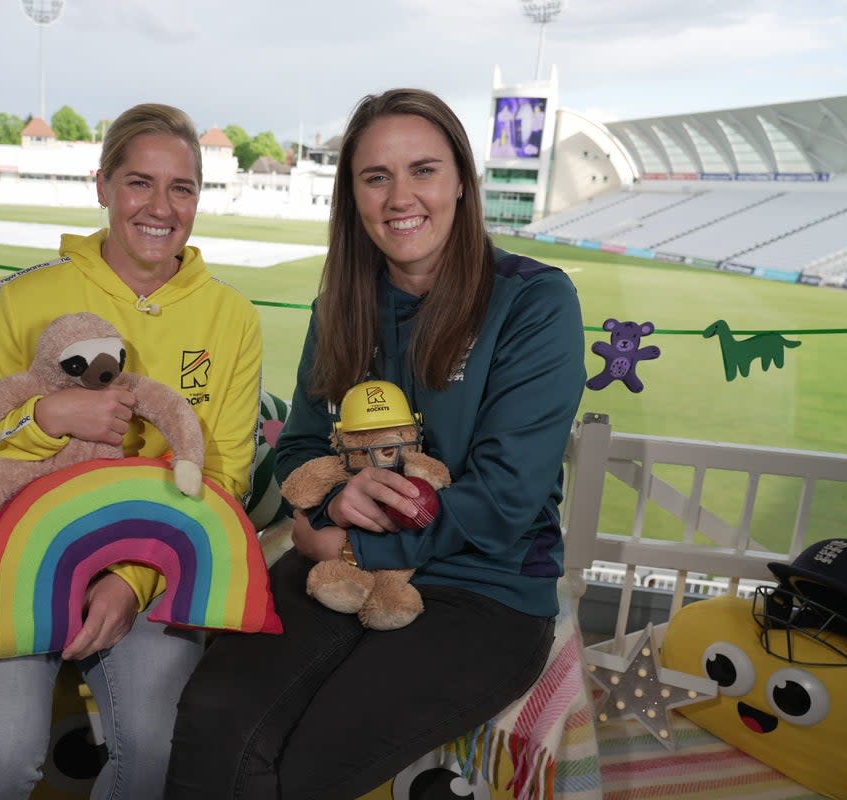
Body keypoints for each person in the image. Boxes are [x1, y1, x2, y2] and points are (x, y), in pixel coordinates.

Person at [165, 88, 586, 799]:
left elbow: (506, 500)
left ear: (460, 181)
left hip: (482, 593)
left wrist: (352, 543)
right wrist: (335, 493)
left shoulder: (535, 302)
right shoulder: (341, 303)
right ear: (352, 194)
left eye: (422, 170)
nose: (400, 197)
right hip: (339, 573)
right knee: (214, 723)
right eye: (375, 176)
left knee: (307, 766)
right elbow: (300, 445)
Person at [0, 103, 263, 800]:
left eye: (182, 188)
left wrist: (134, 579)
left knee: (158, 747)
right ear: (103, 186)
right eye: (140, 182)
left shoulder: (231, 317)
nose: (161, 207)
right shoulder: (26, 297)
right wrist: (48, 416)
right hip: (7, 539)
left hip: (152, 555)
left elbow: (225, 472)